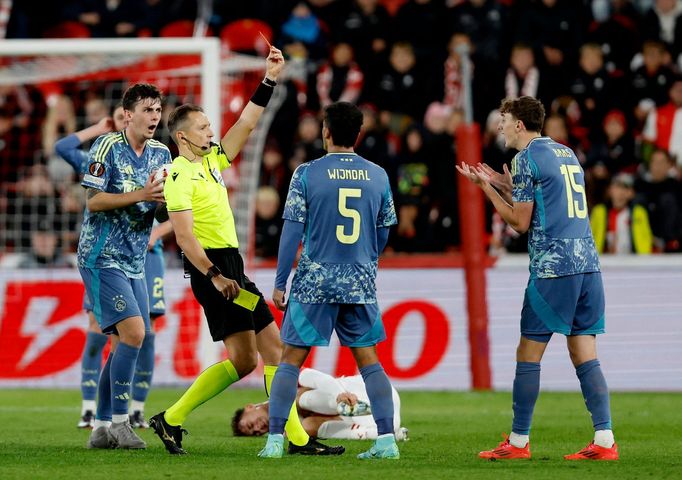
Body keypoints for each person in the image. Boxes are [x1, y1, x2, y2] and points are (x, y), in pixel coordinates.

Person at [148, 46, 342, 457]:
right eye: (202, 128)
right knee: (256, 356)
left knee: (261, 355)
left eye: (209, 126)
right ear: (182, 136)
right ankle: (179, 419)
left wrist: (270, 77)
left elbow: (248, 122)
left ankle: (176, 420)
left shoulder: (211, 163)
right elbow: (184, 237)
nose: (210, 132)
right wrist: (215, 277)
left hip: (229, 266)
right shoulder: (179, 176)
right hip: (213, 269)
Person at [456, 96, 618, 461]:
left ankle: (517, 442)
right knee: (583, 352)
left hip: (553, 267)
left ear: (519, 125)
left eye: (504, 119)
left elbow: (520, 222)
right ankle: (605, 439)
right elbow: (546, 197)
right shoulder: (565, 153)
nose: (499, 126)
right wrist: (500, 181)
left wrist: (484, 189)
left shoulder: (525, 158)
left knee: (528, 352)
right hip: (587, 264)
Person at [258, 101, 399, 460]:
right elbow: (384, 231)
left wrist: (280, 281)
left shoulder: (306, 173)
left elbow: (291, 230)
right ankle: (386, 442)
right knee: (370, 363)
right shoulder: (379, 175)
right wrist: (366, 259)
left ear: (326, 131)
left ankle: (275, 441)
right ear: (359, 134)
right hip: (358, 281)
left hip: (315, 282)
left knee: (290, 361)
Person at [55, 105, 170, 430]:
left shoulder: (161, 155)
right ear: (125, 117)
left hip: (143, 259)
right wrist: (98, 128)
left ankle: (117, 417)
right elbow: (92, 196)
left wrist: (162, 208)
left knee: (138, 336)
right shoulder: (103, 148)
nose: (153, 117)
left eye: (158, 110)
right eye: (146, 111)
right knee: (116, 333)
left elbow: (166, 214)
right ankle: (99, 412)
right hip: (103, 256)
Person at [233, 368, 408, 442]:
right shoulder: (289, 429)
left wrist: (340, 394)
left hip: (372, 392)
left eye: (250, 424)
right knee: (305, 427)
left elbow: (315, 376)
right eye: (256, 432)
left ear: (249, 407)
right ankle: (386, 434)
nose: (258, 428)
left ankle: (342, 402)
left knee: (295, 400)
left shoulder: (283, 386)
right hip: (385, 421)